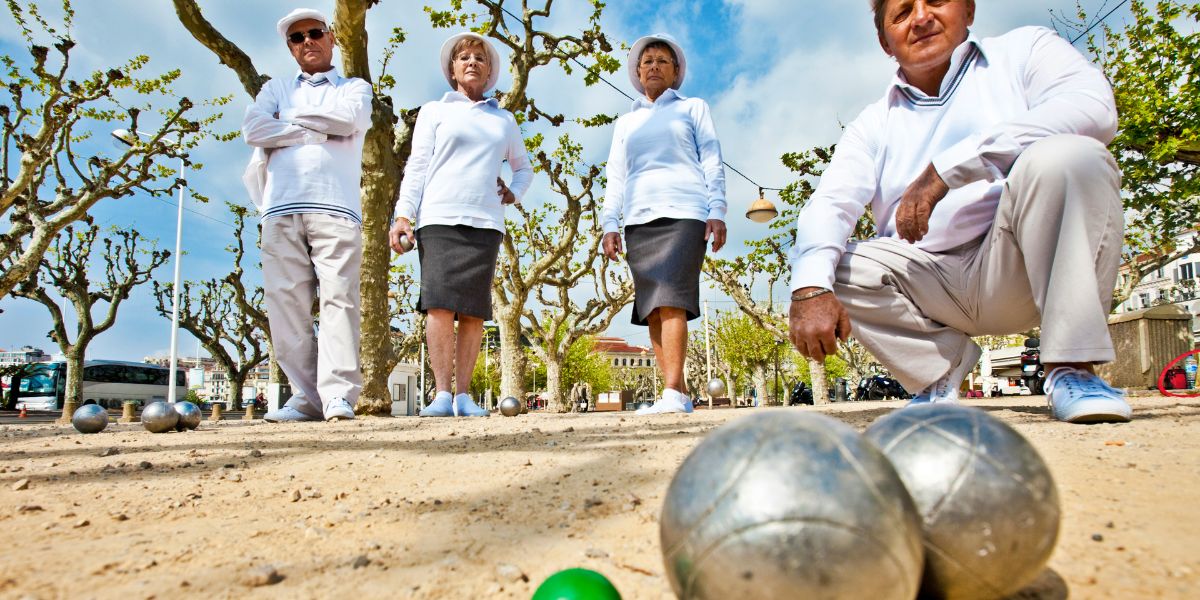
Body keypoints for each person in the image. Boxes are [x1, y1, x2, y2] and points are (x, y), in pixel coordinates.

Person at [787, 0, 1131, 423]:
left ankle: (1072, 368)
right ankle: (939, 372)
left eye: (935, 1)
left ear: (968, 10)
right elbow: (831, 202)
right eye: (902, 12)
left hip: (1023, 263)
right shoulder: (873, 123)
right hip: (929, 283)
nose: (921, 18)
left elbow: (1092, 109)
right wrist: (808, 290)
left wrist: (948, 169)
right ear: (885, 42)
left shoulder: (1026, 50)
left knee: (1071, 156)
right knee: (824, 266)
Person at [389, 32, 533, 417]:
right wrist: (404, 214)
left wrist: (514, 193)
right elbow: (417, 166)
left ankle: (464, 396)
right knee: (438, 305)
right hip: (437, 219)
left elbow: (524, 166)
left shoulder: (504, 119)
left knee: (473, 309)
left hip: (485, 222)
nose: (472, 62)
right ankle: (440, 394)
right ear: (452, 69)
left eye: (479, 59)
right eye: (464, 57)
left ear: (489, 72)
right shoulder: (435, 112)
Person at [242, 8, 373, 422]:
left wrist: (286, 120)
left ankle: (338, 394)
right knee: (285, 304)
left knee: (340, 300)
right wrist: (315, 130)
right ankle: (306, 395)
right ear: (290, 47)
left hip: (336, 206)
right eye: (297, 38)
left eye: (315, 33)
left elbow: (350, 120)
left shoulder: (354, 87)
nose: (307, 41)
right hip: (280, 207)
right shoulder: (274, 88)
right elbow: (252, 129)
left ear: (331, 37)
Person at [601, 34, 727, 416]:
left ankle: (671, 390)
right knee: (654, 306)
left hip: (685, 212)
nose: (654, 66)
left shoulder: (693, 108)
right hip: (639, 219)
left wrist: (717, 209)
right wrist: (610, 223)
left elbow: (712, 159)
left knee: (672, 298)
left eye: (662, 61)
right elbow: (616, 176)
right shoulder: (626, 122)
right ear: (638, 73)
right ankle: (680, 392)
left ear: (675, 72)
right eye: (647, 61)